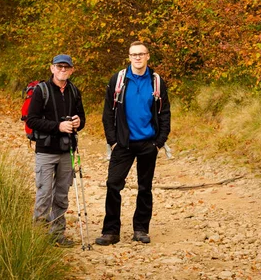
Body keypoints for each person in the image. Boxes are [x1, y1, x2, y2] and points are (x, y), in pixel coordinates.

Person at [95, 41, 171, 245]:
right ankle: (111, 232)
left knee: (144, 187)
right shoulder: (118, 79)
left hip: (148, 143)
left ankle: (141, 229)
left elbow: (164, 113)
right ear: (129, 57)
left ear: (148, 56)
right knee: (113, 184)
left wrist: (159, 142)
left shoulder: (157, 82)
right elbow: (107, 113)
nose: (137, 57)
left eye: (141, 54)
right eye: (133, 54)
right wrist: (112, 141)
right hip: (123, 144)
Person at [26, 54, 86, 247]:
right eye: (59, 67)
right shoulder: (41, 91)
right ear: (52, 68)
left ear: (71, 70)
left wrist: (78, 122)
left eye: (66, 67)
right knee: (44, 194)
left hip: (67, 150)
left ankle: (57, 235)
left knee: (61, 195)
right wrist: (58, 127)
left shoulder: (74, 91)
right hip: (45, 151)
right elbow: (32, 120)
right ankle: (39, 238)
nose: (62, 70)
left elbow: (82, 119)